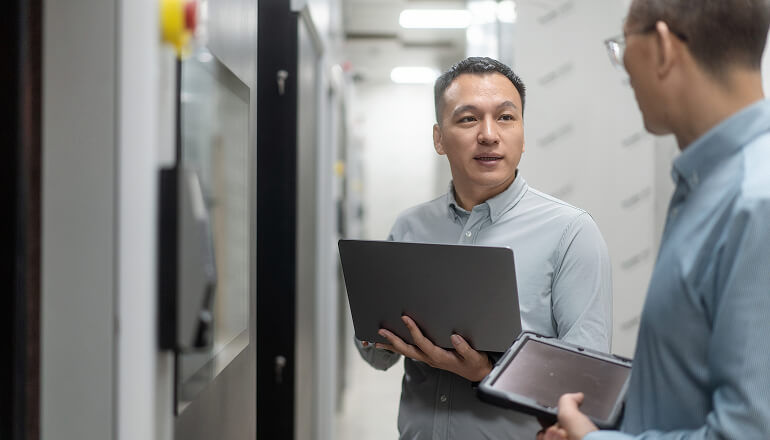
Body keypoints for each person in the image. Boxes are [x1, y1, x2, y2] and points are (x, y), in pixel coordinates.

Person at [540, 1, 770, 439]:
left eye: (624, 43)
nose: (623, 65)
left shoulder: (756, 203)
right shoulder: (706, 186)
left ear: (663, 47)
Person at [355, 57, 614, 439]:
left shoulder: (571, 233)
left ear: (523, 135)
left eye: (506, 118)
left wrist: (486, 373)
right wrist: (375, 331)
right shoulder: (410, 227)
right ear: (438, 139)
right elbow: (377, 358)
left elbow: (585, 387)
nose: (489, 134)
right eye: (467, 119)